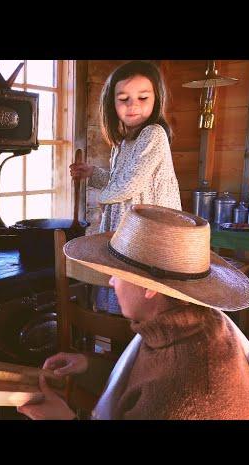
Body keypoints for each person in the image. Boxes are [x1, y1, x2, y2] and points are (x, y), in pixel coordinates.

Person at [17, 205, 249, 420]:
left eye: (117, 274)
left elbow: (163, 395)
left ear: (149, 288)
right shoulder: (188, 325)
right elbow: (144, 384)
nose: (111, 282)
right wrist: (89, 366)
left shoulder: (188, 398)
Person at [70, 60, 181, 315]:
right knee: (120, 302)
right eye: (124, 99)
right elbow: (120, 179)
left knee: (144, 303)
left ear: (156, 99)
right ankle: (119, 349)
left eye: (143, 97)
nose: (133, 106)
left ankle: (137, 349)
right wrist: (92, 173)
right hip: (126, 232)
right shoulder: (123, 143)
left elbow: (129, 185)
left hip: (149, 233)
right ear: (112, 103)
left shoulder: (153, 134)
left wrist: (101, 203)